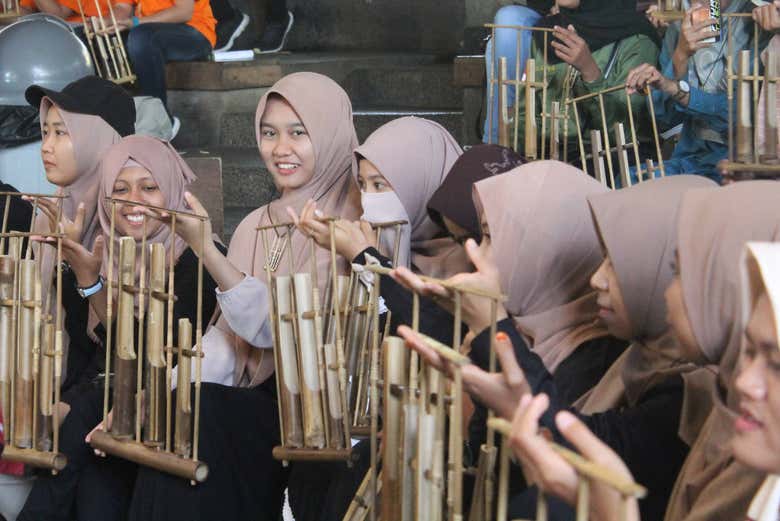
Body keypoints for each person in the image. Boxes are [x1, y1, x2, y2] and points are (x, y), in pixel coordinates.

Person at [397, 174, 714, 520]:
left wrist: (492, 329)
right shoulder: (636, 356)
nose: (597, 279)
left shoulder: (666, 382)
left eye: (617, 262)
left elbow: (566, 456)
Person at [126, 72, 360, 521]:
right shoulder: (255, 223)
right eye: (269, 133)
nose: (280, 148)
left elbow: (281, 331)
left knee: (205, 413)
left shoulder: (353, 226)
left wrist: (207, 250)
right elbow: (225, 342)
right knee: (181, 411)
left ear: (329, 133)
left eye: (298, 133)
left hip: (318, 412)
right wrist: (159, 394)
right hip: (252, 397)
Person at [18, 135, 224, 521]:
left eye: (149, 187)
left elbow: (153, 355)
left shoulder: (199, 261)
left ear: (173, 190)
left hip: (177, 412)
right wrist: (86, 278)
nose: (133, 201)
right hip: (114, 410)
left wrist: (90, 284)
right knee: (94, 478)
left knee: (84, 422)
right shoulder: (113, 252)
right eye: (120, 189)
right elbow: (110, 352)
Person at [505, 240, 780, 521]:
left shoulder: (688, 393)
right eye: (749, 352)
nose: (743, 382)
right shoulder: (635, 360)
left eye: (777, 366)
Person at [483, 0, 660, 155]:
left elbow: (625, 135)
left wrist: (590, 71)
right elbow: (525, 120)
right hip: (545, 161)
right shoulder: (549, 33)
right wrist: (512, 142)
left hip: (605, 163)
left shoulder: (637, 41)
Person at [626, 0, 761, 182]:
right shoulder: (680, 25)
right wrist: (681, 56)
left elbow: (739, 112)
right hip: (693, 158)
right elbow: (664, 117)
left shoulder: (757, 17)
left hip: (741, 162)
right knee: (630, 181)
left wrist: (675, 88)